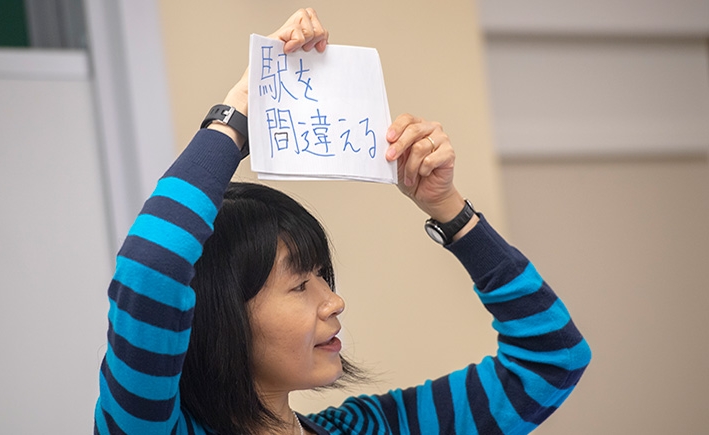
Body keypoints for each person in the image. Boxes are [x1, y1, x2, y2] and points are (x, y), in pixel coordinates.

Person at [94, 8, 591, 435]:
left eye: (322, 278)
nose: (334, 302)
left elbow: (552, 359)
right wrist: (242, 107)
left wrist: (450, 211)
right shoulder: (155, 426)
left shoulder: (368, 428)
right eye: (299, 285)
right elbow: (152, 266)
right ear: (220, 313)